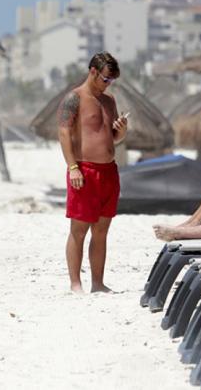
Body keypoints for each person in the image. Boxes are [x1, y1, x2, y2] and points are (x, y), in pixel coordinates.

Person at [58, 52, 128, 293]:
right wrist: (73, 167)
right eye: (106, 79)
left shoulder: (109, 101)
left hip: (109, 172)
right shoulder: (74, 98)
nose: (108, 84)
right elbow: (64, 133)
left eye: (112, 81)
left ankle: (97, 283)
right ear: (93, 72)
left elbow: (111, 138)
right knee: (79, 230)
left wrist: (121, 132)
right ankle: (75, 283)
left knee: (101, 231)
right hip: (84, 170)